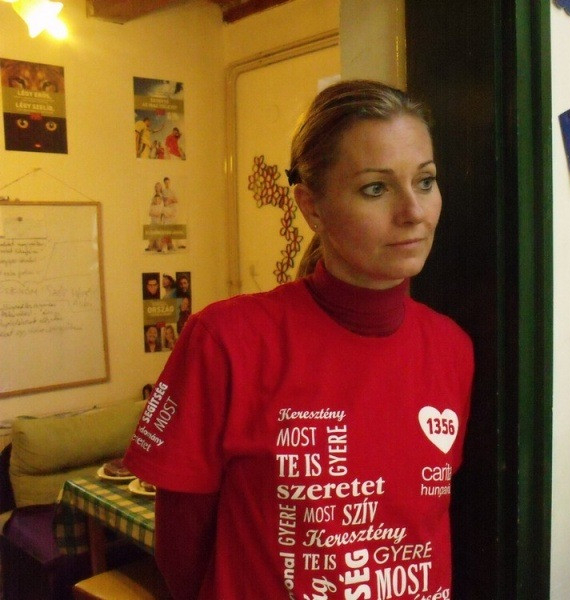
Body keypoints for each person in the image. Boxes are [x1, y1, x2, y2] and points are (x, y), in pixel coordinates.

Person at [123, 79, 474, 600]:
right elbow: (182, 546)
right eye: (375, 189)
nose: (413, 212)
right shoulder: (226, 341)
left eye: (425, 181)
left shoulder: (451, 347)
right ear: (312, 207)